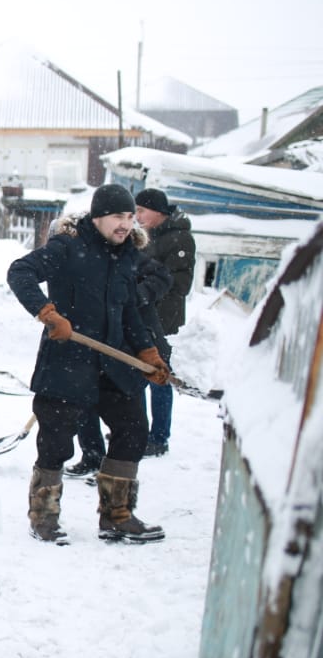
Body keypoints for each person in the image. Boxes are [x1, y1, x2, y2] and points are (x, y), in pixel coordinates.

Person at [6, 182, 169, 546]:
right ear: (97, 218)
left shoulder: (125, 255)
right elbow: (20, 272)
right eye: (117, 217)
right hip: (67, 361)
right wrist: (47, 313)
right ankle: (44, 516)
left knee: (132, 429)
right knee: (56, 442)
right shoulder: (68, 247)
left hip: (112, 363)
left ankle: (117, 515)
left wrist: (147, 352)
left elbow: (128, 310)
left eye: (129, 216)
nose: (125, 224)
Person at [66, 248, 172, 481]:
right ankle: (93, 456)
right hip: (97, 345)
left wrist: (131, 297)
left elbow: (163, 276)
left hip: (134, 346)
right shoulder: (79, 259)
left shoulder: (126, 256)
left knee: (128, 415)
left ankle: (115, 473)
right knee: (85, 400)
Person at [134, 188, 196, 457]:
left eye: (141, 211)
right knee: (136, 374)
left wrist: (149, 286)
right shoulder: (146, 237)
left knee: (158, 376)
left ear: (158, 211)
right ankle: (136, 430)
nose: (137, 216)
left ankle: (159, 438)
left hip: (164, 320)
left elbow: (180, 283)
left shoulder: (180, 238)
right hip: (141, 315)